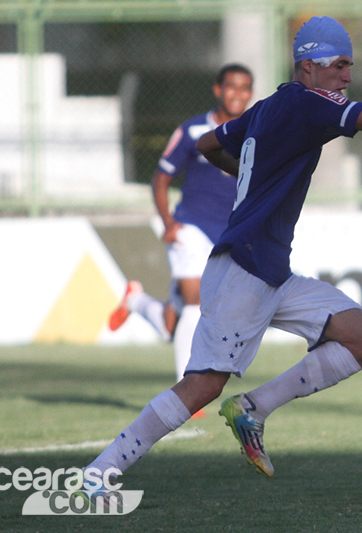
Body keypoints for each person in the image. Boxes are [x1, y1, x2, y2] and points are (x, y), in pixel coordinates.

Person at [81, 16, 362, 500]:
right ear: (309, 66)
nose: (347, 76)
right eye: (340, 65)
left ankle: (254, 408)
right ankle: (102, 469)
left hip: (267, 269)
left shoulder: (271, 106)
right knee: (202, 386)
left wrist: (250, 174)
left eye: (350, 66)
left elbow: (207, 144)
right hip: (244, 266)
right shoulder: (306, 103)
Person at [108, 64, 255, 391]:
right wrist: (169, 223)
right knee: (194, 303)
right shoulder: (191, 131)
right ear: (218, 90)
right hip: (190, 225)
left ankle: (137, 302)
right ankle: (186, 389)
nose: (238, 93)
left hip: (228, 234)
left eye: (245, 88)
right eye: (231, 86)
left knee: (172, 324)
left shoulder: (253, 133)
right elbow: (161, 179)